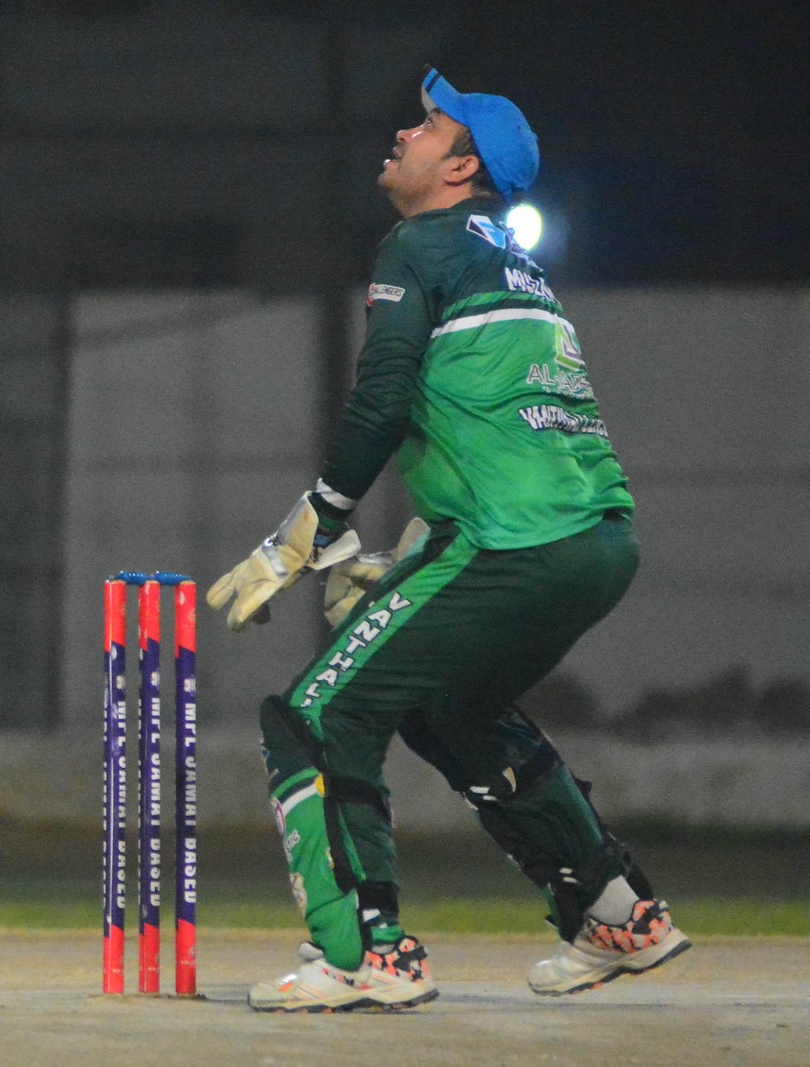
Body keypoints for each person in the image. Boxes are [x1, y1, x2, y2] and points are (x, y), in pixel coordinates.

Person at [206, 69, 690, 1012]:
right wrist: (415, 559)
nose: (404, 131)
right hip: (594, 543)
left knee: (313, 718)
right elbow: (499, 426)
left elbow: (383, 397)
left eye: (429, 126)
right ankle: (615, 911)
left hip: (512, 543)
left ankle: (367, 952)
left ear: (463, 167)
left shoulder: (420, 245)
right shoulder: (515, 265)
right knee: (450, 709)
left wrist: (309, 529)